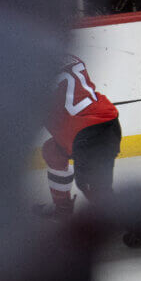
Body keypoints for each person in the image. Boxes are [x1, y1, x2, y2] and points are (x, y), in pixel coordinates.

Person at [37, 53, 122, 220]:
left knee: (94, 189)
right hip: (101, 123)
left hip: (88, 134)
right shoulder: (66, 55)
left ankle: (139, 228)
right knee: (52, 151)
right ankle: (62, 209)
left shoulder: (29, 69)